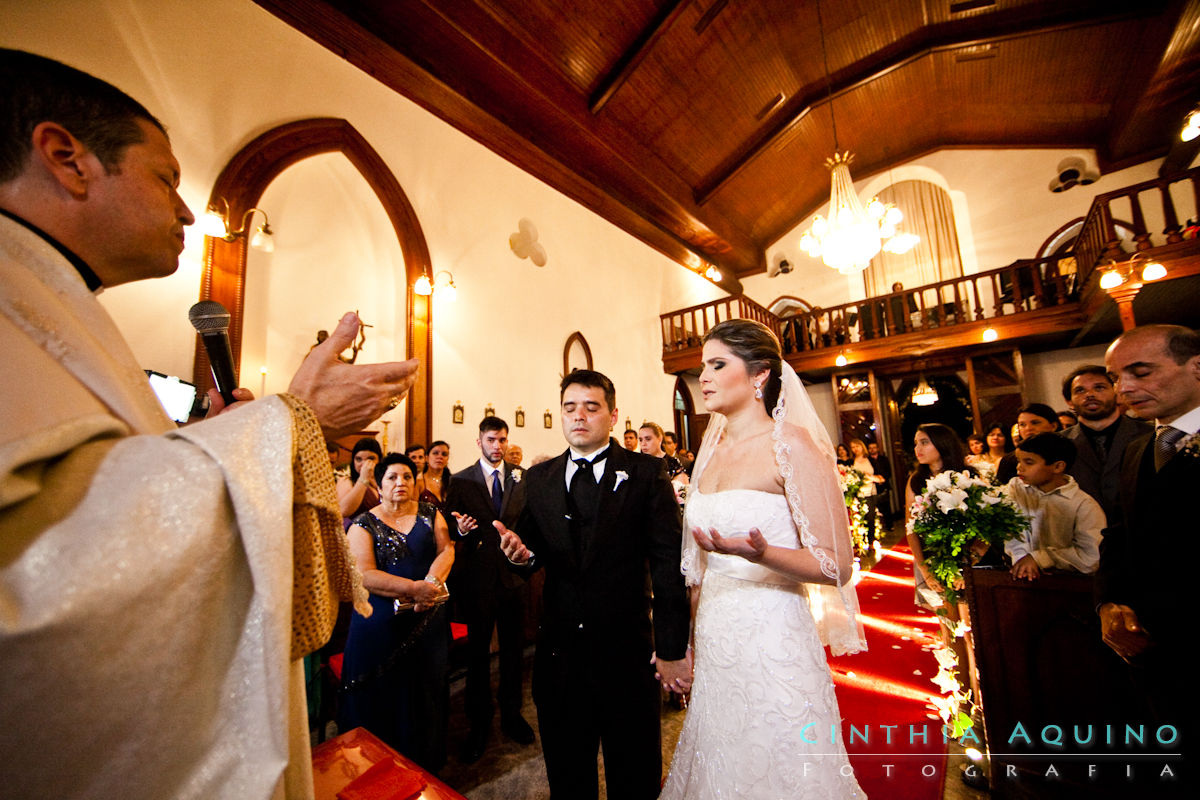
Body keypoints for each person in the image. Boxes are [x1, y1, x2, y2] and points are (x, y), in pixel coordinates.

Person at [0, 49, 419, 799]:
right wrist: (293, 422)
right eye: (166, 179)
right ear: (67, 159)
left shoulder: (52, 301)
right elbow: (52, 566)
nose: (190, 211)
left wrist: (231, 438)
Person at [660, 319, 866, 799]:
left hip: (774, 632)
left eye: (717, 364)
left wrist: (764, 553)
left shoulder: (791, 444)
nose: (704, 377)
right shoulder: (708, 454)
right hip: (715, 633)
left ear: (759, 375)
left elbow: (838, 564)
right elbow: (698, 570)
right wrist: (686, 644)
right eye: (702, 366)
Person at [497, 370, 691, 800]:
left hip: (625, 653)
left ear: (612, 414)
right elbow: (530, 549)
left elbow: (667, 562)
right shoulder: (541, 479)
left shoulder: (645, 473)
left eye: (591, 406)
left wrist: (673, 648)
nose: (579, 416)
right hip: (559, 656)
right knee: (568, 779)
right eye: (570, 407)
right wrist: (519, 555)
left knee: (634, 776)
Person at [1097, 325, 1198, 723]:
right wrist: (1107, 602)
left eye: (1141, 373)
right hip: (1148, 649)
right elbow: (1119, 533)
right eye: (1115, 378)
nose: (1123, 389)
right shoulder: (1138, 448)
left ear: (1197, 367)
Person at [339, 453, 454, 771]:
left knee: (424, 693)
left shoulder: (431, 514)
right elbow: (363, 574)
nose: (400, 483)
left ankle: (424, 768)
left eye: (406, 476)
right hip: (380, 626)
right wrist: (412, 589)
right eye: (392, 477)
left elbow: (446, 549)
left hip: (427, 621)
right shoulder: (364, 524)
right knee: (382, 698)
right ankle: (376, 773)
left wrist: (430, 584)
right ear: (378, 481)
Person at [443, 417, 532, 761]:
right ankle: (478, 723)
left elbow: (527, 520)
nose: (498, 446)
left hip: (513, 576)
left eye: (503, 440)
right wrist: (461, 531)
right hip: (478, 577)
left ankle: (512, 715)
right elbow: (450, 528)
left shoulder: (519, 476)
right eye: (492, 439)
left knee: (513, 651)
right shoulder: (462, 479)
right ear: (478, 440)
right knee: (478, 655)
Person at [1002, 433, 1104, 580]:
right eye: (1019, 461)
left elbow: (1091, 558)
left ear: (1057, 466)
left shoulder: (1083, 505)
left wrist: (1041, 558)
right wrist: (1021, 557)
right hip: (1020, 576)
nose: (1019, 468)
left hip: (1066, 585)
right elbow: (1012, 530)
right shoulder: (1017, 488)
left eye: (1029, 462)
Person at [1060, 364, 1151, 522]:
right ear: (1069, 401)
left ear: (1117, 392)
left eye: (1099, 388)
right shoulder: (1057, 444)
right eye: (1080, 390)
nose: (1090, 395)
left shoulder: (1149, 434)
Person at [996, 403, 1060, 484]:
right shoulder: (1009, 460)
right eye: (1022, 425)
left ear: (1053, 426)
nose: (1028, 428)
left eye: (1035, 423)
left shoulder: (1065, 453)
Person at [337, 436, 382, 528]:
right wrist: (363, 479)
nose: (364, 464)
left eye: (371, 458)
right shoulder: (347, 481)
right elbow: (343, 511)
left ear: (379, 460)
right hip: (357, 532)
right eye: (358, 459)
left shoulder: (383, 481)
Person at [416, 439, 451, 510]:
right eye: (435, 453)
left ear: (447, 459)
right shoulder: (418, 482)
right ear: (427, 458)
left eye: (444, 454)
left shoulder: (452, 481)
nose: (440, 457)